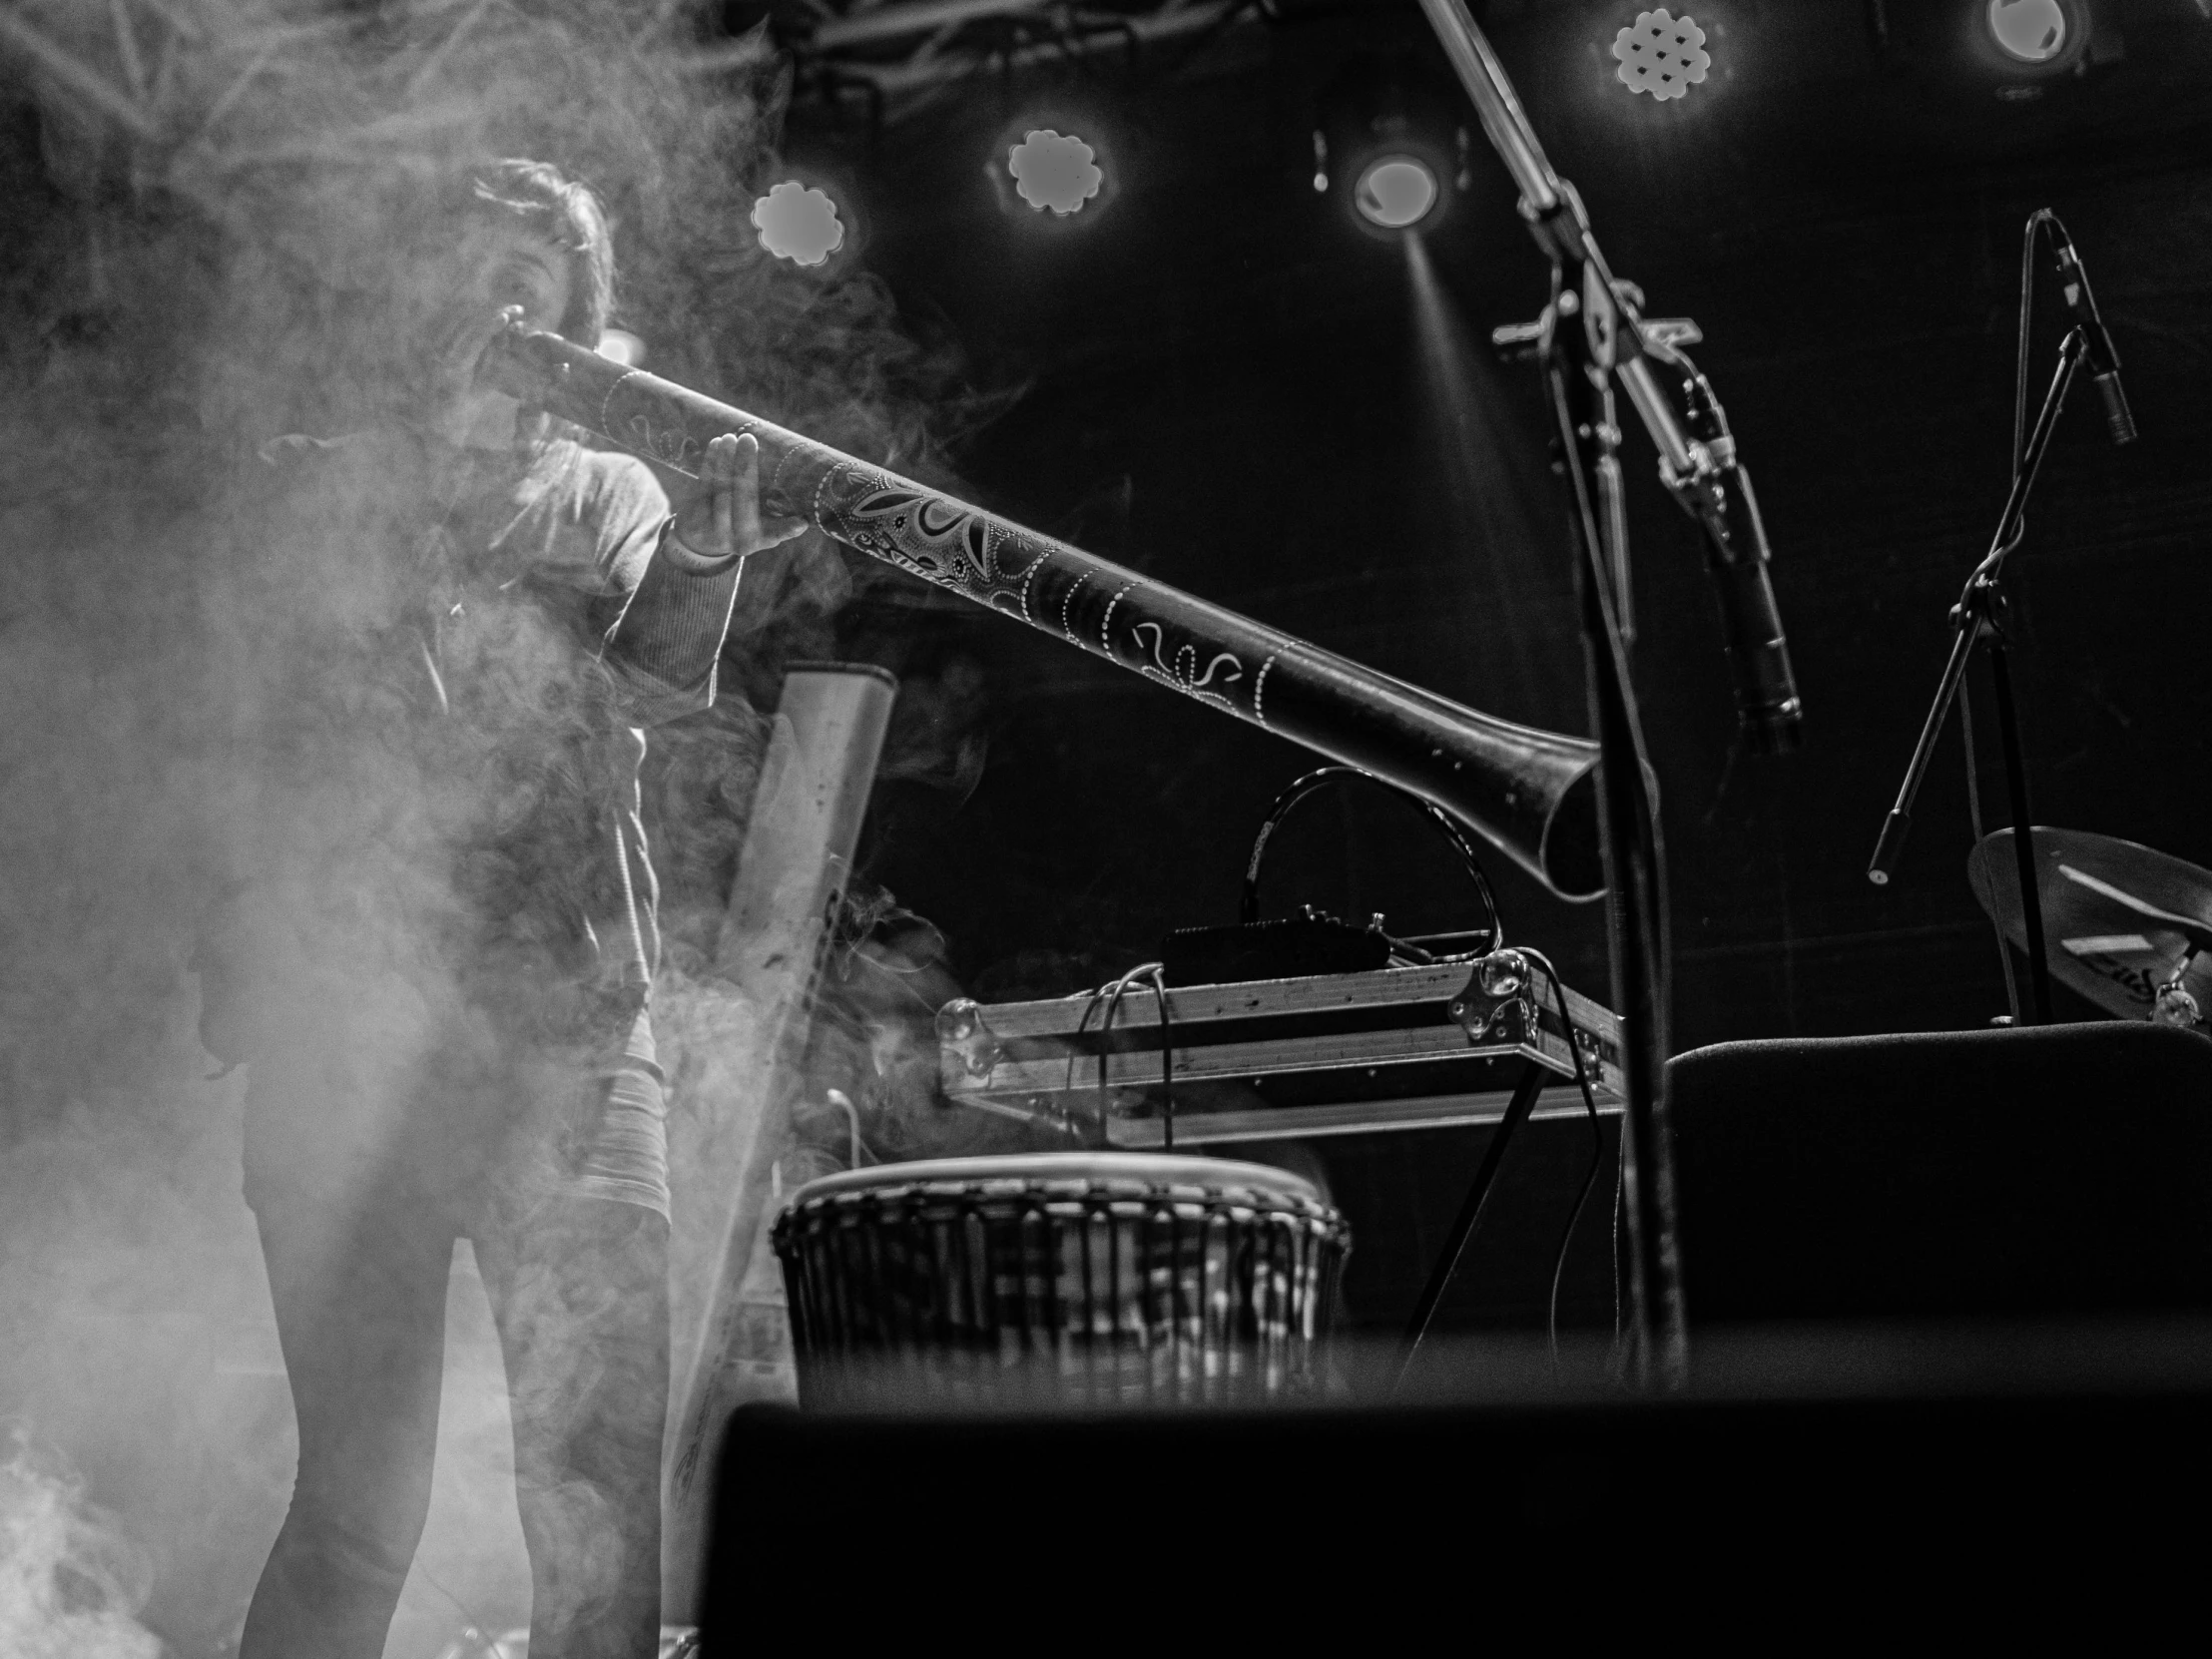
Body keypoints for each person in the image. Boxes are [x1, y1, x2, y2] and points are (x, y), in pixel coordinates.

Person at [198, 158, 801, 1659]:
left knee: (596, 1514)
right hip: (346, 1049)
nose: (507, 298)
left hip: (574, 1045)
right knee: (356, 1514)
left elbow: (667, 668)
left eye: (538, 276)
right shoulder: (310, 481)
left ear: (581, 318)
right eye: (477, 268)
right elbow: (256, 718)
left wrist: (712, 550)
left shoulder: (613, 487)